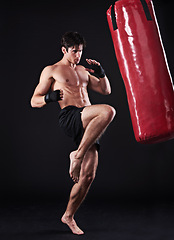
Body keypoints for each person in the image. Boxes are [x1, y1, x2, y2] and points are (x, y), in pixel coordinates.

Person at [31, 31, 116, 235]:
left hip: (88, 122)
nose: (77, 55)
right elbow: (34, 100)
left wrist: (101, 72)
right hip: (70, 116)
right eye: (74, 51)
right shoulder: (52, 70)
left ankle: (68, 216)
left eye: (80, 51)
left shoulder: (83, 71)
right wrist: (49, 98)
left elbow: (106, 91)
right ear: (64, 50)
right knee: (108, 111)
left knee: (87, 176)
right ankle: (76, 156)